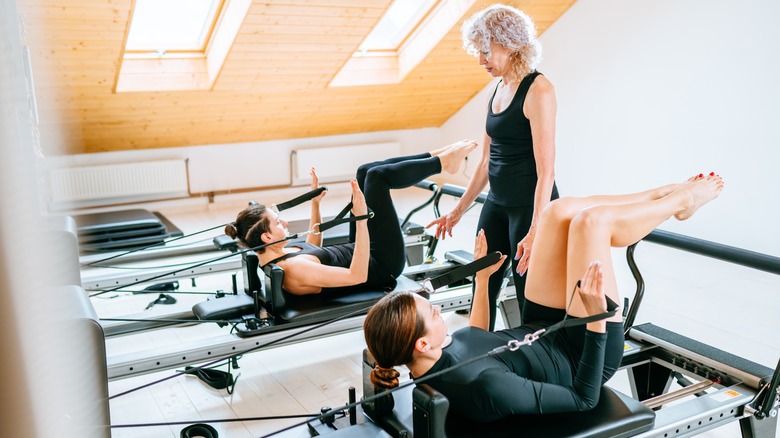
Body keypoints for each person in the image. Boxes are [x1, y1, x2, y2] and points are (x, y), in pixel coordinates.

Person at [365, 173, 724, 421]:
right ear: (423, 343)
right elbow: (585, 399)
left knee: (557, 210)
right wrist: (597, 318)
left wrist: (484, 279)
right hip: (582, 350)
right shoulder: (484, 387)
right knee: (591, 223)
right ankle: (681, 199)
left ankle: (658, 195)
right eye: (434, 312)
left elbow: (476, 339)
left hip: (541, 325)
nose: (441, 312)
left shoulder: (434, 358)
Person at [428, 4, 560, 330]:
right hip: (497, 205)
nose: (480, 60)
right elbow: (487, 161)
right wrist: (457, 211)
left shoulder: (539, 90)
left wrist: (535, 229)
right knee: (481, 284)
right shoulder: (496, 89)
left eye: (486, 51)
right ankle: (478, 361)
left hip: (529, 208)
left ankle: (533, 369)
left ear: (511, 43)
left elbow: (547, 172)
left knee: (530, 297)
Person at [224, 140, 477, 296]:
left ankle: (439, 156)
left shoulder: (274, 251)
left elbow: (312, 246)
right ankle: (442, 162)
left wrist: (315, 204)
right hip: (381, 265)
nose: (285, 223)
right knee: (377, 178)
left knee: (365, 172)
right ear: (267, 235)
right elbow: (356, 277)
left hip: (361, 252)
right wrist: (361, 219)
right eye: (278, 222)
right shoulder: (295, 270)